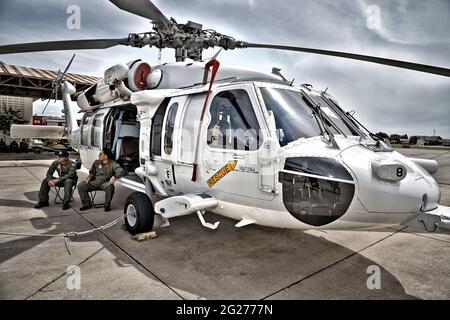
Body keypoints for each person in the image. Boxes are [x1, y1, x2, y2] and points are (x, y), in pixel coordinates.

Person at [77, 148, 124, 212]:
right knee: (81, 185)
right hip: (94, 181)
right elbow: (92, 172)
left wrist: (114, 176)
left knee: (110, 187)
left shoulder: (113, 164)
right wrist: (89, 177)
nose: (99, 155)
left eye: (101, 153)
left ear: (106, 156)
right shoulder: (96, 162)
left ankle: (107, 205)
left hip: (104, 183)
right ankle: (87, 204)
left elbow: (121, 171)